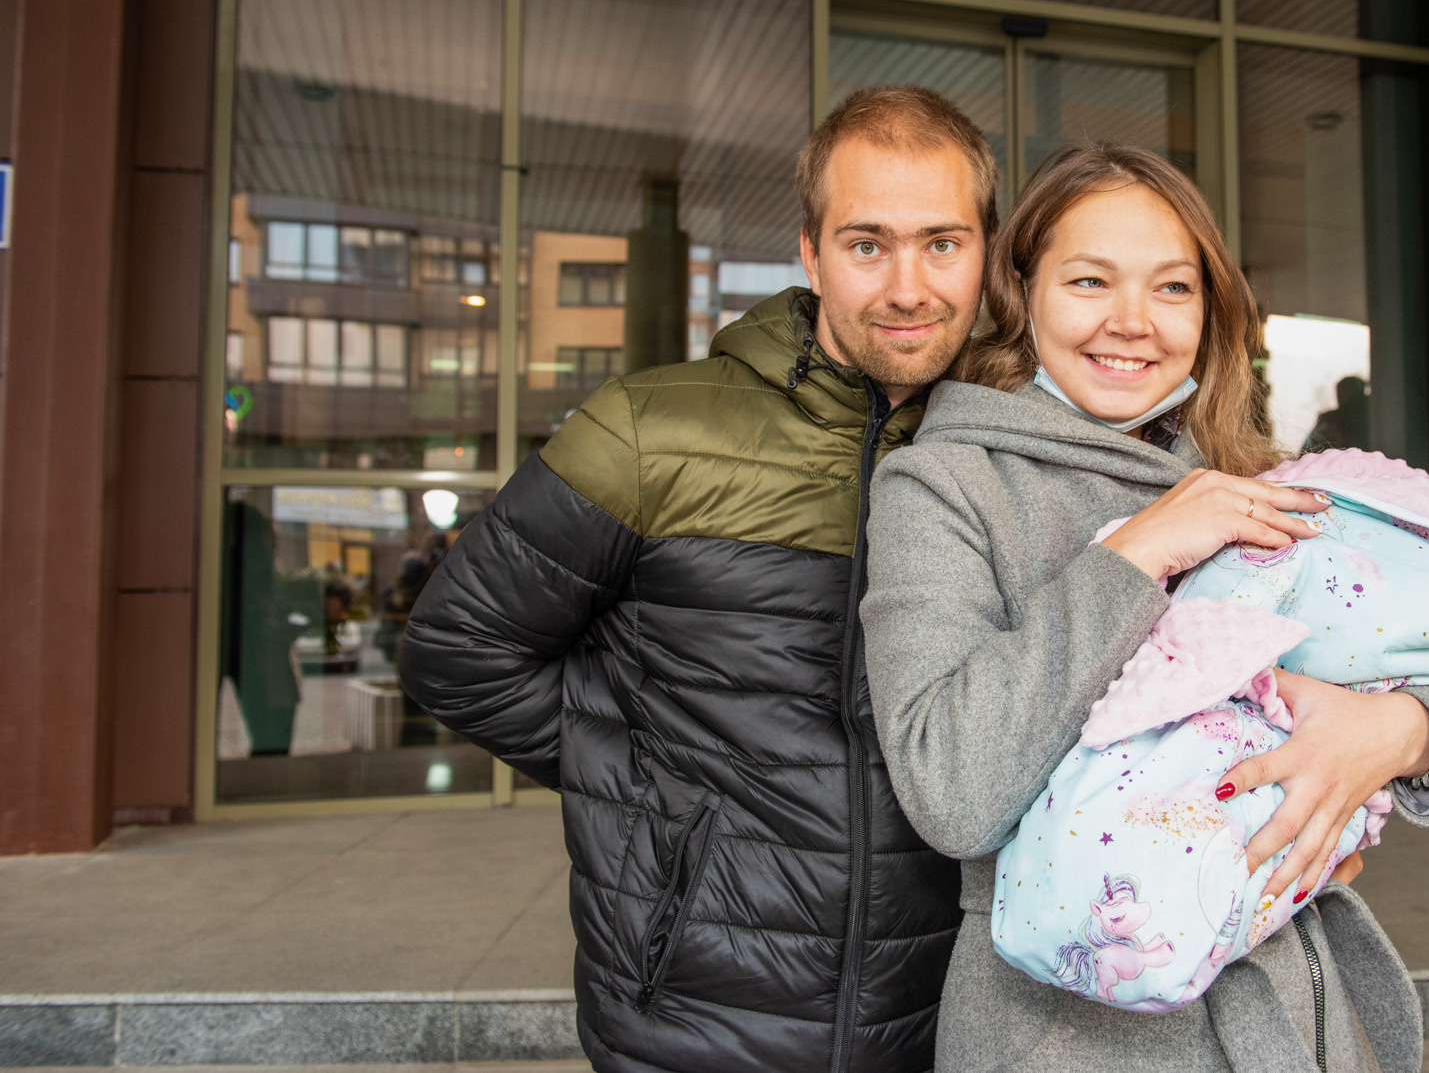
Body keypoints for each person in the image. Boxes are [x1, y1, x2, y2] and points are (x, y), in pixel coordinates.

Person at [860, 144, 1429, 1072]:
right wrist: (1138, 554)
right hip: (1066, 1038)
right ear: (1023, 294)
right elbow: (953, 790)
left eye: (1173, 289)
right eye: (1090, 281)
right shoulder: (944, 486)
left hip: (1288, 1005)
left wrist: (1400, 733)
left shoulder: (1258, 475)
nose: (1132, 323)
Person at [399, 87, 1001, 1073]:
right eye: (866, 244)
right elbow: (457, 647)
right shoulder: (650, 429)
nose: (907, 286)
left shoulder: (1013, 449)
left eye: (942, 243)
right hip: (696, 1010)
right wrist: (651, 786)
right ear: (808, 253)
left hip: (952, 1013)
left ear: (984, 250)